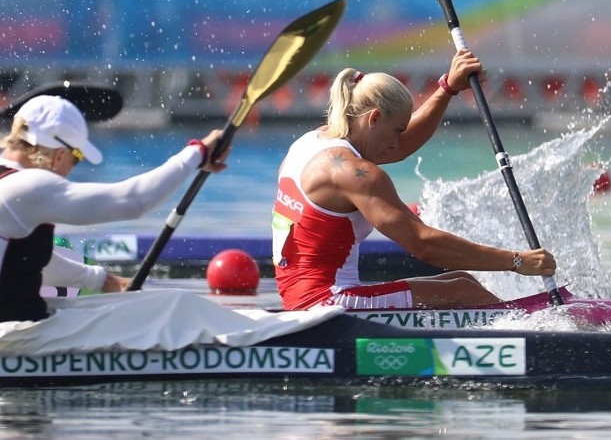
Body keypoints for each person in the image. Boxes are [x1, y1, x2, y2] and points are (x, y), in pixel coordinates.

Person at [272, 49, 557, 310]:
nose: (398, 143)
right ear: (374, 119)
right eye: (396, 130)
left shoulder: (314, 144)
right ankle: (537, 342)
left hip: (303, 296)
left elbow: (404, 145)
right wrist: (517, 261)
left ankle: (520, 327)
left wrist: (448, 88)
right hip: (326, 305)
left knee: (463, 281)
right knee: (463, 293)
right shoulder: (355, 174)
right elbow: (425, 246)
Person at [0, 95, 228, 322]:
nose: (73, 166)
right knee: (174, 304)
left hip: (14, 332)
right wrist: (198, 153)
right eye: (77, 157)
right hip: (17, 340)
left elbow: (28, 262)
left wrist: (101, 281)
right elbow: (134, 201)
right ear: (60, 154)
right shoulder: (31, 186)